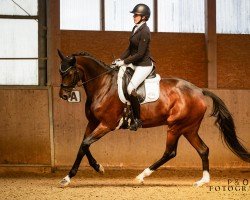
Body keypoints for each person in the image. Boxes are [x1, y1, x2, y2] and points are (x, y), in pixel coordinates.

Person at [114, 4, 154, 131]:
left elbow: (140, 54)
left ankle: (137, 120)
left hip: (143, 65)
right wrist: (120, 59)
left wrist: (125, 61)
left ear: (144, 17)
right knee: (118, 75)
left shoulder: (145, 32)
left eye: (136, 15)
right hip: (135, 63)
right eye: (134, 15)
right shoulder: (135, 28)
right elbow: (130, 48)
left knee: (131, 88)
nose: (134, 17)